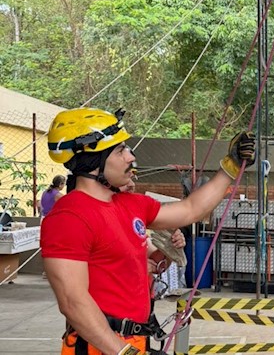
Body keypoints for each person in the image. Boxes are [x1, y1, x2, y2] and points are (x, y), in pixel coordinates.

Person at [40, 107, 256, 355]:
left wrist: (230, 167)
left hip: (132, 341)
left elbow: (191, 209)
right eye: (120, 150)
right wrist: (122, 351)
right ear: (94, 160)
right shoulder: (69, 217)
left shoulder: (130, 204)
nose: (130, 157)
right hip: (98, 347)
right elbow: (73, 302)